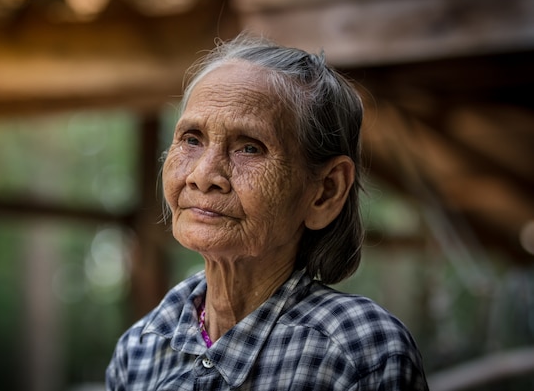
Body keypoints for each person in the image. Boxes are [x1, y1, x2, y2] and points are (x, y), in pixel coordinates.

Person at [105, 34, 429, 390]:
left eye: (249, 148)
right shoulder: (139, 350)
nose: (203, 176)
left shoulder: (358, 352)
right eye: (192, 139)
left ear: (325, 191)